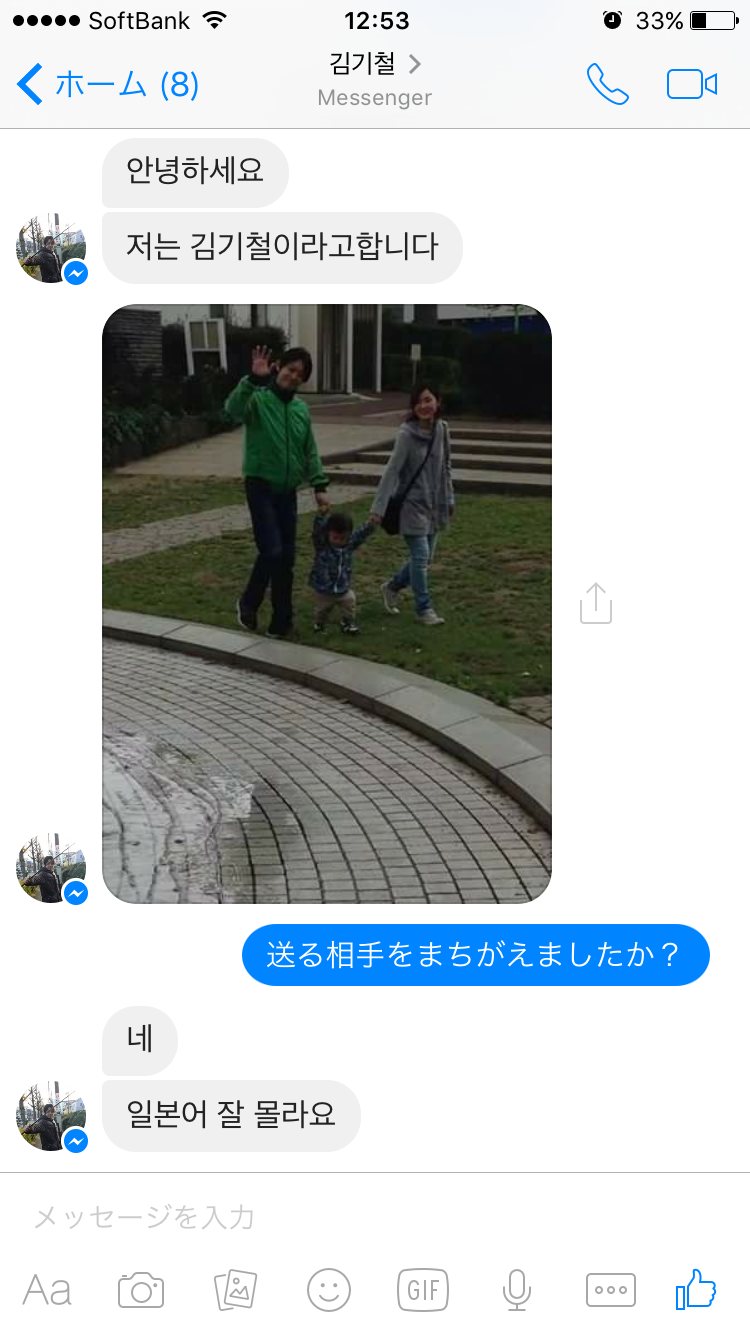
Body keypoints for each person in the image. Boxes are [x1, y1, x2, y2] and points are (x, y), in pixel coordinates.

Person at [225, 345, 329, 638]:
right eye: (290, 369)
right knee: (272, 550)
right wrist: (252, 379)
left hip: (287, 490)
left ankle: (281, 622)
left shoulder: (300, 409)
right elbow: (232, 410)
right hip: (260, 485)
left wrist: (319, 485)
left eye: (300, 374)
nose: (293, 376)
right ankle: (248, 602)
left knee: (287, 558)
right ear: (278, 367)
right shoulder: (258, 399)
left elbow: (309, 450)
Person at [370, 384, 454, 625]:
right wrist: (378, 508)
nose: (423, 406)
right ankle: (423, 609)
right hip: (411, 505)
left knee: (425, 559)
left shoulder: (442, 429)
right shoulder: (406, 434)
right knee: (420, 556)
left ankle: (392, 587)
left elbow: (446, 466)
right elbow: (392, 470)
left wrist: (449, 497)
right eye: (418, 402)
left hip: (434, 504)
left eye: (428, 400)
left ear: (437, 402)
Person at [309, 510, 377, 634]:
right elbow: (317, 533)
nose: (339, 541)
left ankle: (347, 623)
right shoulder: (323, 546)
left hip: (343, 587)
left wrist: (370, 525)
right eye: (335, 538)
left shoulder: (348, 545)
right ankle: (319, 624)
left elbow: (360, 535)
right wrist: (321, 516)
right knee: (322, 609)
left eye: (343, 538)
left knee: (349, 603)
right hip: (324, 589)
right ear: (328, 533)